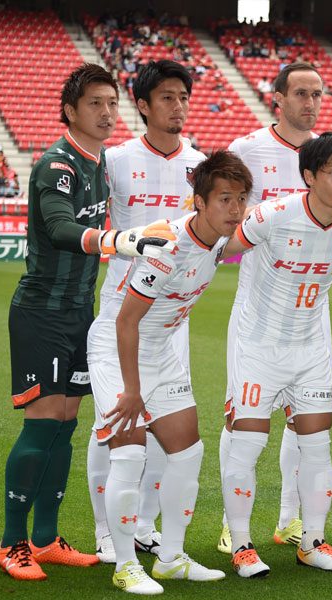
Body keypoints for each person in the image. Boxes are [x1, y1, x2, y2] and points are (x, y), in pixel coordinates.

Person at [0, 63, 175, 582]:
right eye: (95, 103)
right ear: (70, 111)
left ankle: (46, 538)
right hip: (42, 313)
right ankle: (12, 543)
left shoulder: (100, 163)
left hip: (81, 313)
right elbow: (58, 227)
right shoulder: (58, 164)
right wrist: (119, 240)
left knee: (67, 426)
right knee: (43, 424)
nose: (106, 112)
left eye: (111, 103)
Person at [220, 132, 332, 576]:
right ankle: (241, 545)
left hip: (311, 349)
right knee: (248, 445)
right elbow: (222, 247)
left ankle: (312, 542)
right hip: (258, 346)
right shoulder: (273, 215)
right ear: (308, 176)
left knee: (317, 448)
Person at [88, 151, 251, 593]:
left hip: (160, 350)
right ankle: (125, 565)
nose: (235, 209)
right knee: (129, 454)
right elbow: (126, 322)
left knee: (187, 452)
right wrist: (132, 390)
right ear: (199, 201)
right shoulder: (168, 248)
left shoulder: (218, 238)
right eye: (225, 199)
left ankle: (171, 558)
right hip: (117, 349)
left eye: (241, 199)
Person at [86, 59, 205, 565]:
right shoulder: (114, 160)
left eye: (184, 97)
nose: (178, 107)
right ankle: (105, 530)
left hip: (173, 319)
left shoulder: (199, 165)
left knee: (165, 429)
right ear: (142, 105)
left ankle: (145, 525)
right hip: (123, 311)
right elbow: (91, 225)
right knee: (113, 425)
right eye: (167, 98)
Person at [219, 62, 323, 554]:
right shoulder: (246, 150)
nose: (310, 102)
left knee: (304, 421)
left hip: (312, 307)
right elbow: (225, 215)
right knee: (242, 418)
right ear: (277, 98)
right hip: (258, 307)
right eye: (300, 93)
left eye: (317, 94)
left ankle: (290, 519)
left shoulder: (328, 153)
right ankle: (231, 523)